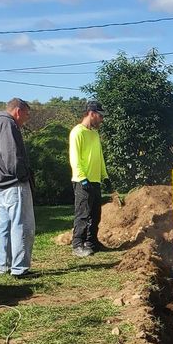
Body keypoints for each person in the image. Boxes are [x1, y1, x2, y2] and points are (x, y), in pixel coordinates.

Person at [0, 97, 36, 278]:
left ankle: (3, 266)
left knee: (3, 225)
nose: (26, 119)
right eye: (26, 115)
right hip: (13, 184)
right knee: (22, 225)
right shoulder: (8, 124)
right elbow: (11, 156)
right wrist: (23, 176)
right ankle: (20, 269)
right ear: (18, 111)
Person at [69, 100, 109, 258]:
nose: (102, 119)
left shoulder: (94, 133)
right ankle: (77, 244)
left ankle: (91, 242)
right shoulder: (77, 132)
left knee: (95, 214)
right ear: (92, 114)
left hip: (95, 180)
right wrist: (82, 178)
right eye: (100, 116)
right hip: (83, 181)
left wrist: (104, 176)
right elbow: (74, 157)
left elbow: (99, 156)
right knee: (83, 214)